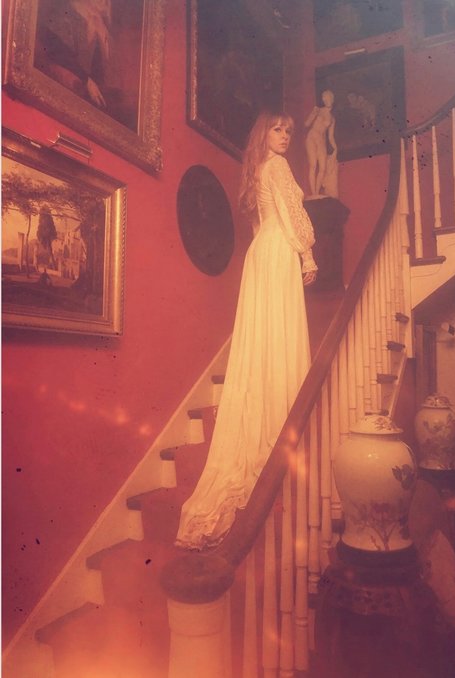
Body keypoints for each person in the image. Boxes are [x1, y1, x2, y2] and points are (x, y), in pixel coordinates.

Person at [175, 111, 318, 550]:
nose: (285, 136)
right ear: (263, 133)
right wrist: (307, 255)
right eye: (278, 129)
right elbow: (291, 215)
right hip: (278, 251)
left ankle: (271, 418)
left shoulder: (257, 170)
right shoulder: (278, 166)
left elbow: (262, 222)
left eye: (289, 131)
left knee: (265, 340)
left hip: (261, 255)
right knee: (280, 337)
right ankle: (281, 422)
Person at [304, 90, 338, 198]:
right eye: (324, 98)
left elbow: (330, 136)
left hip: (321, 140)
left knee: (323, 168)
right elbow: (306, 124)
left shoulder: (332, 118)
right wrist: (313, 114)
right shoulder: (318, 110)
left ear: (332, 99)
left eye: (328, 98)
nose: (326, 100)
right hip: (312, 137)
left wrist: (335, 148)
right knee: (313, 165)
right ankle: (314, 193)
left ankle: (317, 192)